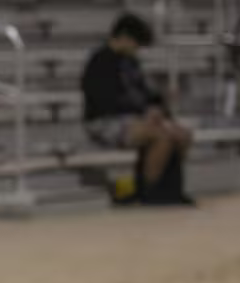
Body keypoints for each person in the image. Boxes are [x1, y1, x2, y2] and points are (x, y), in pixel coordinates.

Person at [80, 13, 194, 204]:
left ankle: (172, 189)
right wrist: (143, 114)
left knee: (181, 134)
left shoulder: (131, 63)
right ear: (124, 38)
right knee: (160, 136)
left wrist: (160, 104)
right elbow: (104, 101)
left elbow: (146, 95)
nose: (138, 49)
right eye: (136, 44)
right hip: (105, 121)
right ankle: (149, 192)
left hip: (136, 120)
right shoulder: (99, 62)